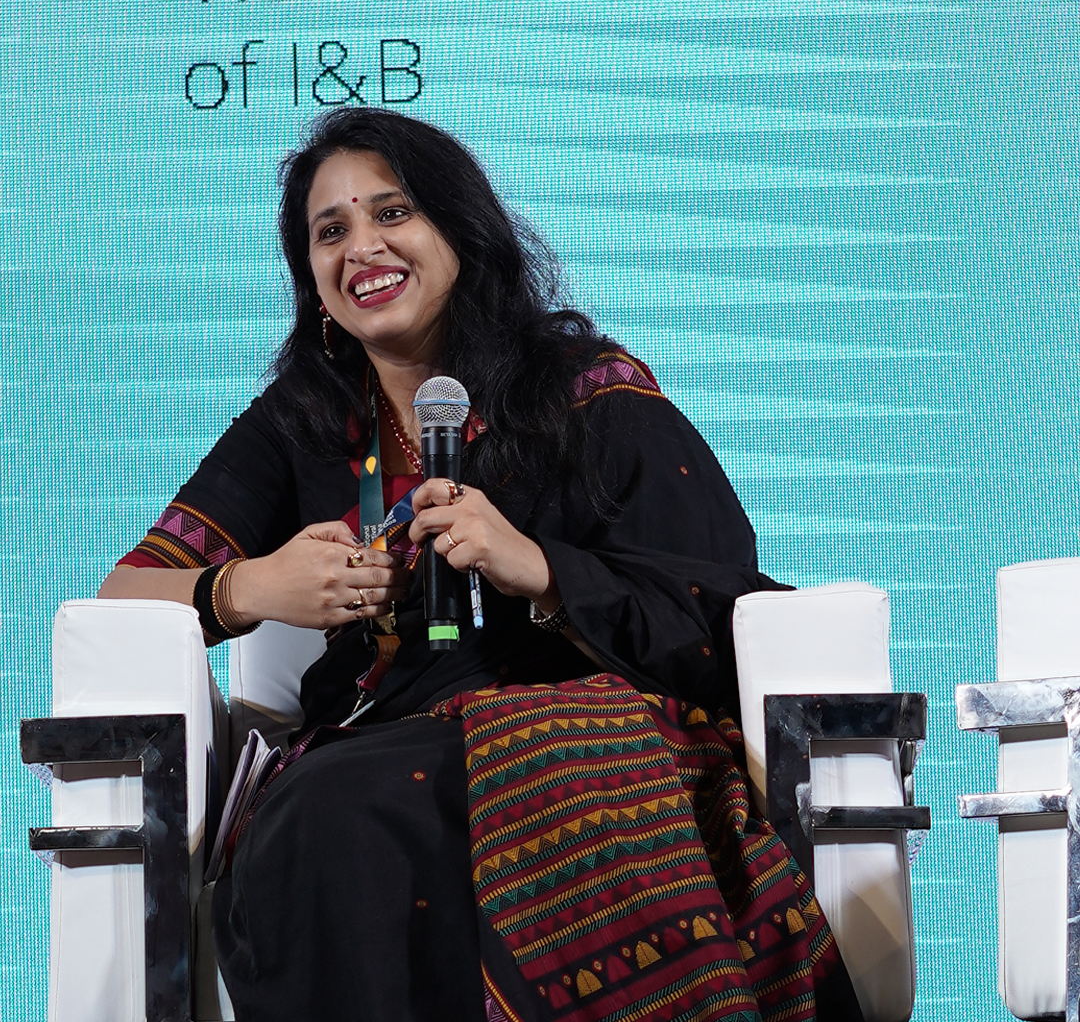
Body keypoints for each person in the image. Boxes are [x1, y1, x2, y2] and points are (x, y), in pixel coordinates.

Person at [99, 107, 863, 1022]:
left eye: (392, 213)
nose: (361, 247)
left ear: (460, 230)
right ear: (313, 279)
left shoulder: (588, 389)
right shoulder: (299, 420)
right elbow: (123, 598)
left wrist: (539, 568)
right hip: (375, 743)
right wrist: (246, 588)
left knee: (443, 789)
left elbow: (713, 607)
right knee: (325, 808)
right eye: (329, 231)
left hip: (593, 723)